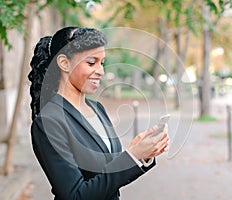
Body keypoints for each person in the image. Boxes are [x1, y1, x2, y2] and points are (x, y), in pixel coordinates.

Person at [28, 26, 169, 200]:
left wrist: (140, 153)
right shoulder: (49, 122)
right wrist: (133, 156)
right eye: (91, 62)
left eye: (102, 63)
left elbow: (106, 172)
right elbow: (75, 195)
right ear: (64, 63)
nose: (101, 71)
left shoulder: (97, 109)